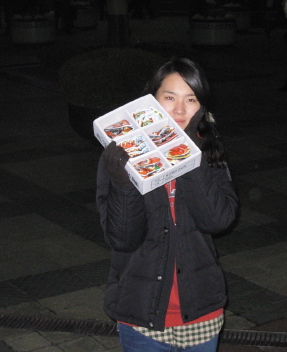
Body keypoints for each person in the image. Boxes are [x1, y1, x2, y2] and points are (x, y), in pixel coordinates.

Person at [97, 57, 238, 352]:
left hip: (201, 313)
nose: (180, 110)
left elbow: (218, 221)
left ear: (202, 106)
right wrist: (123, 184)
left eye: (191, 99)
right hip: (141, 314)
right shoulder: (122, 154)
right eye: (170, 97)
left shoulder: (209, 149)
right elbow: (122, 239)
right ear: (151, 100)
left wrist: (188, 153)